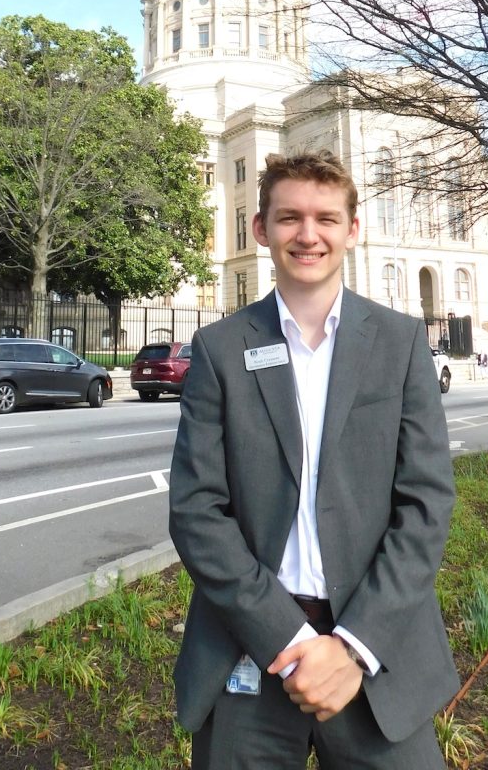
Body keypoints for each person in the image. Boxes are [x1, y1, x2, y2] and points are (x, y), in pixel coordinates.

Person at [169, 151, 459, 769]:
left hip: (375, 646)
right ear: (260, 229)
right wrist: (292, 640)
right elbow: (197, 511)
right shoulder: (220, 350)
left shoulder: (401, 342)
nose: (308, 235)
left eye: (326, 218)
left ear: (352, 230)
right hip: (252, 643)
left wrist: (351, 647)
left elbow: (426, 504)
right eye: (289, 218)